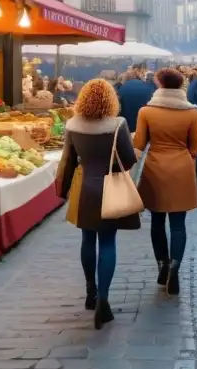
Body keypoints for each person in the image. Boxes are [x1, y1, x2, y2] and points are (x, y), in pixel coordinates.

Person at [54, 79, 141, 329]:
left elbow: (68, 160)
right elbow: (126, 159)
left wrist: (63, 190)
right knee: (108, 242)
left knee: (87, 240)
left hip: (84, 189)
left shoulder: (73, 125)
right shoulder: (118, 124)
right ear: (111, 100)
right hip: (109, 188)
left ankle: (90, 291)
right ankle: (104, 297)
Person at [134, 68, 197, 295]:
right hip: (181, 168)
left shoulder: (146, 111)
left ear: (159, 84)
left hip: (155, 168)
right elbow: (194, 148)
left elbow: (140, 143)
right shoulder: (192, 112)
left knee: (157, 221)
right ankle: (175, 267)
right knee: (178, 224)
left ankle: (162, 265)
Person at [117, 65, 154, 132]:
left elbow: (118, 109)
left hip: (126, 127)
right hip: (144, 126)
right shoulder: (148, 87)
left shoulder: (122, 89)